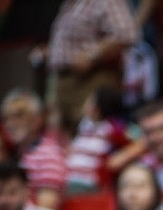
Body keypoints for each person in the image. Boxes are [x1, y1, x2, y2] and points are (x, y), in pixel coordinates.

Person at [35, 0, 139, 136]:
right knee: (68, 139)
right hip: (65, 81)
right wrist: (49, 52)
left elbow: (125, 34)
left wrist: (92, 54)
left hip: (91, 79)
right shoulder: (70, 4)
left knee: (89, 132)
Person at [62, 85, 144, 197]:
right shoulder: (84, 124)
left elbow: (140, 141)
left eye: (89, 100)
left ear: (96, 109)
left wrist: (121, 157)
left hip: (90, 184)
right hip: (70, 179)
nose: (85, 103)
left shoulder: (112, 127)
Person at [0, 90, 68, 210]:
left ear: (37, 119)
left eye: (19, 115)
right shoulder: (14, 155)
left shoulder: (49, 155)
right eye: (6, 118)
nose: (10, 123)